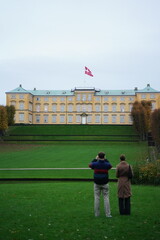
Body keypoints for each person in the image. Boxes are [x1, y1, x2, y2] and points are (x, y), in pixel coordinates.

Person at [89, 152, 112, 217]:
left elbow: (90, 165)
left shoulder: (95, 164)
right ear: (104, 157)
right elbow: (110, 165)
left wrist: (95, 159)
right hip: (105, 182)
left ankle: (97, 214)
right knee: (106, 198)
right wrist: (105, 159)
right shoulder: (106, 164)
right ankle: (108, 214)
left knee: (97, 198)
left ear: (98, 157)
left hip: (97, 182)